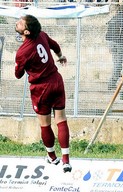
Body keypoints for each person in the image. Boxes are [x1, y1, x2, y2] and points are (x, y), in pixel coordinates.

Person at [15, 15, 72, 173]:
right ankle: (66, 160)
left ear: (26, 32)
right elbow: (55, 45)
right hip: (56, 80)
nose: (18, 22)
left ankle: (52, 157)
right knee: (61, 119)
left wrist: (22, 63)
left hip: (41, 88)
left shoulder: (22, 52)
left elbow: (17, 74)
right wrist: (60, 57)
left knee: (45, 123)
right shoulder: (41, 35)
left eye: (21, 22)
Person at [105, 5, 123, 90]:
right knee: (118, 64)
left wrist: (109, 45)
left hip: (111, 43)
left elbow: (108, 33)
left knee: (116, 63)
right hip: (119, 44)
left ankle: (116, 74)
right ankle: (112, 82)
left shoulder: (113, 18)